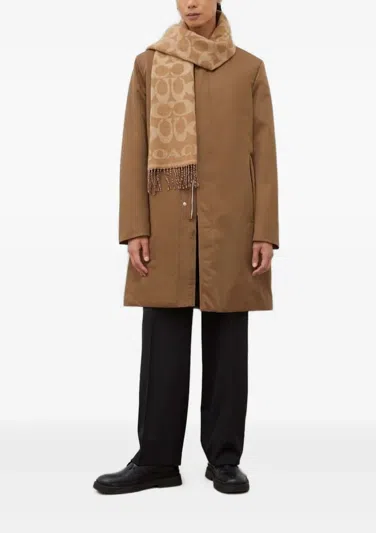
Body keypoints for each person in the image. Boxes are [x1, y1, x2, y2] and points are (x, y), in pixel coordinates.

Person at [93, 0, 279, 495]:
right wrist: (135, 226)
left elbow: (265, 154)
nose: (190, 2)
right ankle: (156, 461)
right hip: (165, 224)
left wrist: (265, 231)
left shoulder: (249, 69)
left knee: (228, 343)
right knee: (163, 342)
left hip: (232, 226)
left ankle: (224, 460)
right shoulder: (149, 64)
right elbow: (133, 147)